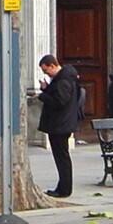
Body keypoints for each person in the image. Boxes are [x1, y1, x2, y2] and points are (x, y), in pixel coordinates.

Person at [37, 54, 81, 198]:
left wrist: (42, 96)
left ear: (52, 65)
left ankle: (64, 188)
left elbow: (59, 102)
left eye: (46, 70)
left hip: (60, 125)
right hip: (62, 123)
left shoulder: (63, 81)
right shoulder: (65, 79)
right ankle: (63, 186)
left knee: (62, 157)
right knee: (62, 157)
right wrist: (46, 89)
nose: (46, 73)